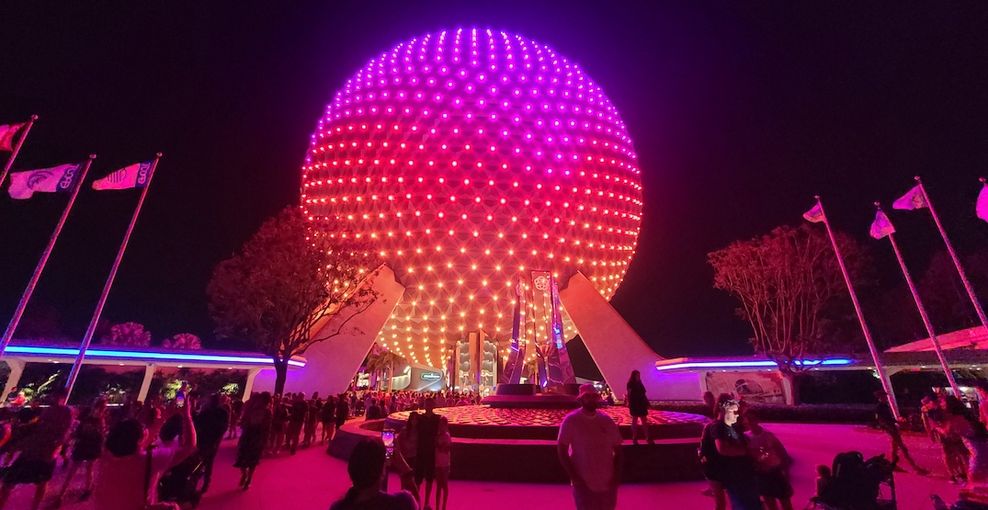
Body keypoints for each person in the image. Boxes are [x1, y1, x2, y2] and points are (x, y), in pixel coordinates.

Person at [92, 397, 197, 509]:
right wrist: (187, 415)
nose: (146, 429)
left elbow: (136, 443)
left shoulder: (106, 455)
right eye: (142, 429)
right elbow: (189, 446)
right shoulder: (150, 461)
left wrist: (160, 420)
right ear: (138, 440)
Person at [0, 389, 73, 510]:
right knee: (12, 481)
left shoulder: (65, 412)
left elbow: (64, 433)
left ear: (61, 397)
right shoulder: (50, 410)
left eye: (55, 396)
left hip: (44, 452)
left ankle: (35, 507)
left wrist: (55, 449)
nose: (52, 399)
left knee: (40, 481)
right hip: (35, 450)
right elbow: (38, 428)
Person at [557, 384, 623, 510]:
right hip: (583, 482)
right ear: (581, 399)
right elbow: (561, 450)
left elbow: (619, 450)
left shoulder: (607, 421)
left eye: (594, 396)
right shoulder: (571, 421)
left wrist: (616, 477)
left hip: (607, 481)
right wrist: (575, 477)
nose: (591, 399)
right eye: (587, 396)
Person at [700, 398, 761, 510]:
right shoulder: (718, 426)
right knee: (725, 502)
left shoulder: (727, 425)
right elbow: (722, 449)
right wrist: (748, 452)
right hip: (718, 470)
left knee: (732, 501)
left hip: (725, 470)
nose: (736, 414)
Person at [329, 439, 417, 510]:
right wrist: (404, 469)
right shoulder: (400, 504)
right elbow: (415, 504)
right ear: (382, 472)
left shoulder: (338, 507)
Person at [55, 398, 107, 504]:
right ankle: (87, 489)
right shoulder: (100, 419)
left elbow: (79, 428)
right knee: (88, 468)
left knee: (75, 469)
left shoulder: (89, 415)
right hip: (91, 446)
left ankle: (62, 493)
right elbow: (101, 435)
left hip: (83, 444)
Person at [744, 410, 792, 510]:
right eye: (747, 419)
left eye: (752, 419)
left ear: (757, 419)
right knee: (770, 504)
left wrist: (786, 473)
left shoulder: (768, 435)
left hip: (775, 472)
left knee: (785, 502)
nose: (749, 422)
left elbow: (782, 453)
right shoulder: (746, 437)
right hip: (761, 474)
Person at [936, 395, 988, 485]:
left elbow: (947, 433)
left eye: (942, 402)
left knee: (974, 480)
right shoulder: (965, 414)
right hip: (981, 446)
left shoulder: (955, 419)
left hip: (977, 451)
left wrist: (936, 427)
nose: (940, 404)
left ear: (949, 404)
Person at [874, 390, 928, 475]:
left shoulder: (883, 406)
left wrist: (896, 422)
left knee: (895, 447)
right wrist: (891, 426)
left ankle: (893, 464)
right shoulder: (880, 407)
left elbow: (885, 419)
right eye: (884, 396)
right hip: (891, 429)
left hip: (892, 428)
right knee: (903, 448)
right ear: (880, 397)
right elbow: (882, 420)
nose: (886, 398)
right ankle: (915, 468)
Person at [235, 392, 272, 490]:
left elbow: (267, 428)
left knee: (253, 460)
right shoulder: (251, 409)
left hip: (257, 437)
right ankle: (245, 474)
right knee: (242, 457)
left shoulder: (267, 412)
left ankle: (249, 478)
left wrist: (265, 440)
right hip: (248, 435)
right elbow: (243, 422)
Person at [194, 393, 230, 493]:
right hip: (209, 441)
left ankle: (201, 482)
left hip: (207, 440)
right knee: (206, 462)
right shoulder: (220, 412)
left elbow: (198, 423)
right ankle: (203, 483)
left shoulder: (215, 412)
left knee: (203, 462)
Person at [416, 398, 441, 507]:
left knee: (429, 477)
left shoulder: (437, 419)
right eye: (427, 404)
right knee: (418, 477)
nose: (428, 406)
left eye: (430, 404)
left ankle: (426, 501)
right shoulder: (420, 418)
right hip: (421, 450)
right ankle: (418, 500)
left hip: (430, 450)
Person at [396, 413, 420, 502]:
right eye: (413, 419)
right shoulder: (404, 430)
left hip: (414, 458)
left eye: (416, 419)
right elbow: (397, 441)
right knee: (404, 480)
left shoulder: (419, 432)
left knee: (413, 481)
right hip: (405, 457)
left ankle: (412, 500)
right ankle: (403, 499)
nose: (414, 421)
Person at [625, 371, 653, 445]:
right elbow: (629, 394)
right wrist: (629, 403)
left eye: (639, 375)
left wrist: (647, 403)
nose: (638, 376)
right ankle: (634, 437)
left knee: (644, 421)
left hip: (641, 404)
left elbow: (644, 394)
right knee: (635, 420)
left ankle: (647, 437)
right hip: (635, 404)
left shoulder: (640, 384)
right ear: (633, 376)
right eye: (637, 375)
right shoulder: (630, 384)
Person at [434, 417, 451, 510]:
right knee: (438, 486)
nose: (441, 426)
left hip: (445, 463)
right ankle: (437, 506)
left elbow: (445, 449)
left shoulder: (447, 436)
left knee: (444, 485)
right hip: (438, 463)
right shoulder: (438, 436)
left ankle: (443, 505)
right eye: (440, 424)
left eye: (442, 424)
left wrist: (440, 446)